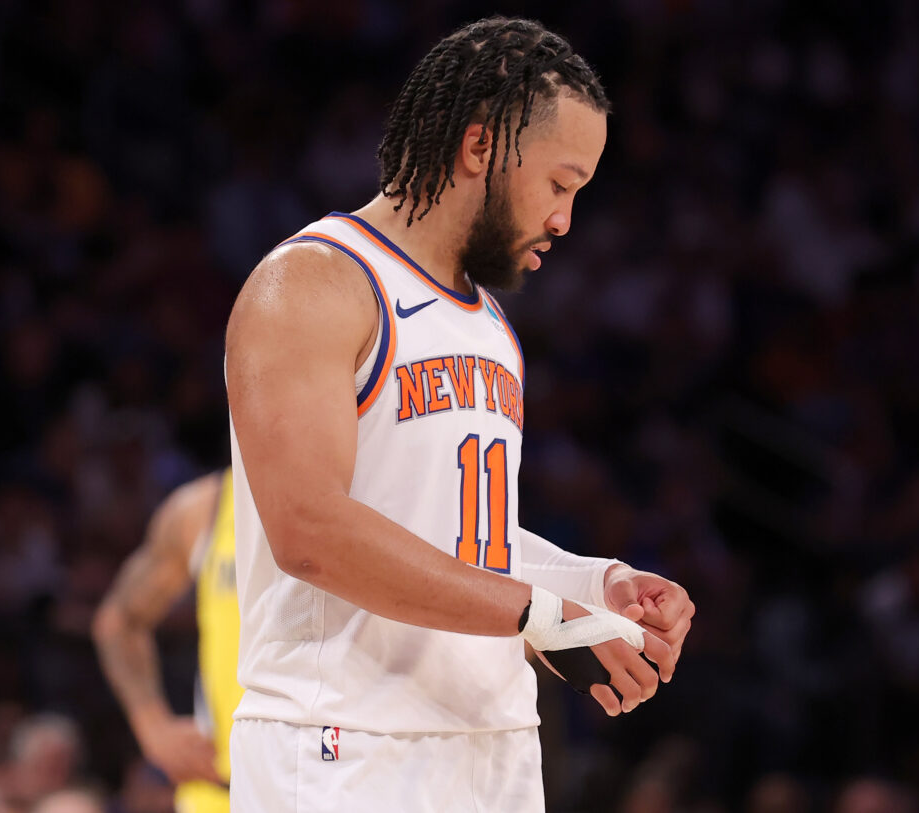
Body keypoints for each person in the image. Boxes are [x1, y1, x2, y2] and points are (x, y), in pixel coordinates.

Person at [224, 15, 695, 812]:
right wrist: (541, 613)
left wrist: (594, 585)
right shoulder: (313, 285)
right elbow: (308, 529)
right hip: (343, 746)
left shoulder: (492, 328)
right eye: (558, 184)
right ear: (480, 148)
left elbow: (464, 541)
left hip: (494, 746)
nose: (564, 221)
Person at [92, 470, 240, 813]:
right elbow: (119, 620)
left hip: (343, 776)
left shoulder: (374, 489)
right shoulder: (204, 507)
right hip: (224, 791)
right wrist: (152, 727)